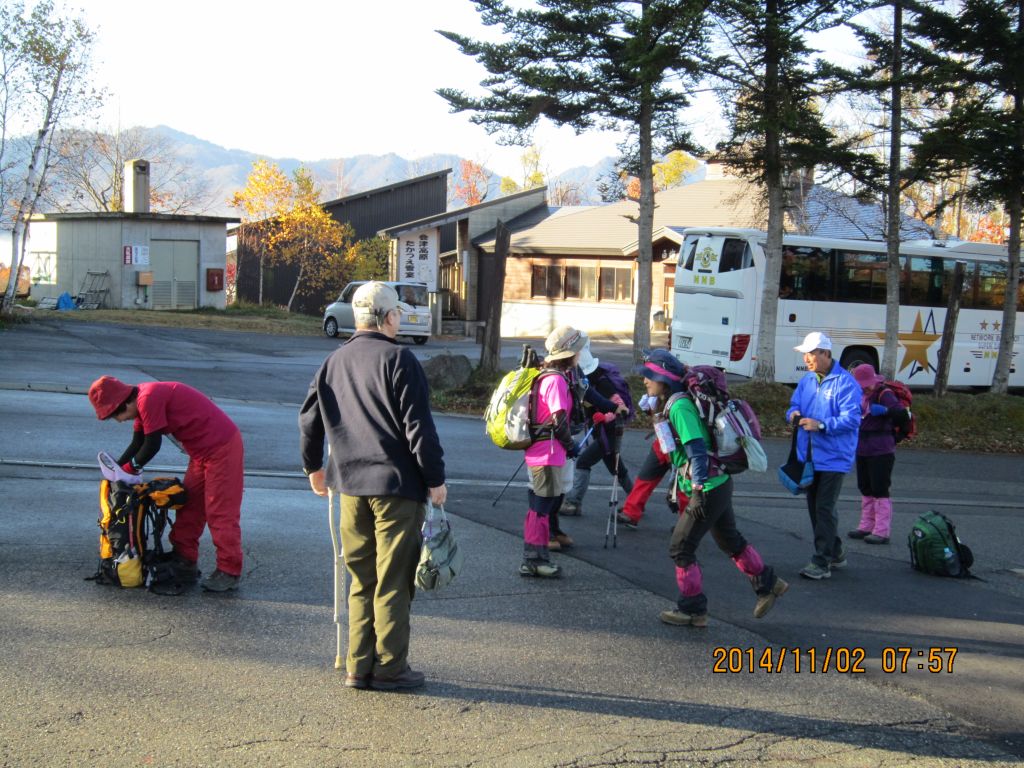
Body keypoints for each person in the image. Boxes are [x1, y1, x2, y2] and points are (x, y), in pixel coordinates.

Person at [298, 281, 447, 692]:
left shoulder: (334, 360)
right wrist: (435, 478)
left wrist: (314, 467)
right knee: (393, 579)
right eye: (397, 313)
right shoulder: (400, 359)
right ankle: (389, 667)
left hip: (348, 484)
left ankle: (356, 665)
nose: (399, 319)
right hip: (397, 486)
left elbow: (308, 418)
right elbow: (418, 426)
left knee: (360, 578)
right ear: (386, 317)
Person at [638, 352, 787, 627]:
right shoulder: (672, 404)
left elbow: (695, 448)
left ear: (663, 378)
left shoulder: (680, 406)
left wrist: (696, 489)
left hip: (707, 487)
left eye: (649, 375)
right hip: (718, 484)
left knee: (680, 547)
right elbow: (676, 450)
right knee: (729, 540)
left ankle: (693, 610)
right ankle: (768, 584)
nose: (645, 380)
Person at [88, 376, 244, 594]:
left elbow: (152, 444)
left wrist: (130, 470)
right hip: (201, 453)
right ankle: (185, 560)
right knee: (189, 507)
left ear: (125, 402)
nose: (119, 420)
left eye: (117, 415)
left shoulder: (148, 398)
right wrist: (119, 472)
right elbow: (138, 443)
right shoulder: (142, 402)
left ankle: (229, 571)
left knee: (219, 511)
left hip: (222, 448)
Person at [785, 331, 862, 580]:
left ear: (825, 354)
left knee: (824, 508)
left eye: (811, 353)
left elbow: (851, 419)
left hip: (834, 457)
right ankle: (835, 551)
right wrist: (794, 415)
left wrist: (821, 425)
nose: (807, 358)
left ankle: (821, 561)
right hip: (809, 455)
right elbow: (793, 405)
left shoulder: (847, 383)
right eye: (805, 353)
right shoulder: (807, 380)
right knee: (816, 508)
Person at [521, 325, 585, 578]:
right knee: (541, 507)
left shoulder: (544, 375)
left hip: (541, 451)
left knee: (539, 506)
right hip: (548, 453)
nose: (580, 355)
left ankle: (533, 558)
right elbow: (558, 420)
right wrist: (572, 446)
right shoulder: (556, 381)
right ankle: (534, 560)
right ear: (569, 354)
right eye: (577, 351)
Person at [561, 337, 632, 518]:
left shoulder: (602, 382)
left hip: (609, 432)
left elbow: (620, 407)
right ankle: (636, 501)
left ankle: (574, 503)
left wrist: (605, 415)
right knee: (616, 468)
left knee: (584, 462)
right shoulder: (588, 382)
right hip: (603, 431)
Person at [848, 364, 908, 545]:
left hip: (882, 449)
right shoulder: (861, 395)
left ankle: (882, 531)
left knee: (880, 489)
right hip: (863, 448)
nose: (865, 387)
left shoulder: (885, 394)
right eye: (862, 384)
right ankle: (866, 526)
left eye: (866, 384)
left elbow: (902, 415)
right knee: (865, 487)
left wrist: (887, 411)